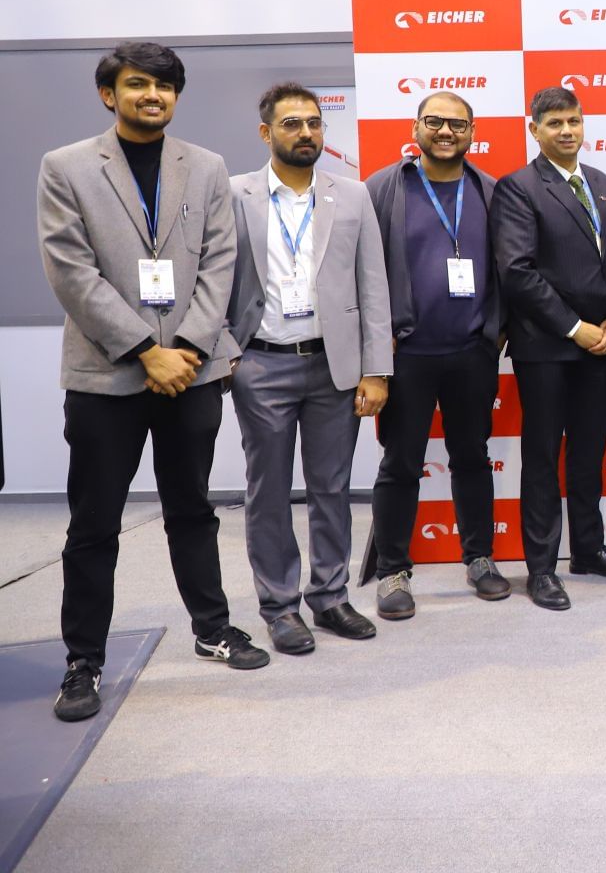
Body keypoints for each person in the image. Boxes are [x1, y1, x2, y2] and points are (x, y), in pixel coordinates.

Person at [39, 42, 269, 721]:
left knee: (192, 510)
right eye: (138, 84)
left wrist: (187, 350)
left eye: (165, 86)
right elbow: (71, 270)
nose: (153, 95)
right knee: (94, 523)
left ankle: (212, 629)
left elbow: (220, 262)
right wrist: (147, 350)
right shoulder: (67, 166)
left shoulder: (206, 167)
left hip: (191, 373)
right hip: (106, 374)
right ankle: (83, 660)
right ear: (109, 94)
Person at [226, 83, 392, 656]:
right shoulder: (235, 194)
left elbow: (373, 287)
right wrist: (228, 357)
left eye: (315, 123)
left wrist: (377, 370)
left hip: (333, 367)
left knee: (332, 488)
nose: (306, 133)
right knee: (268, 491)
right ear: (266, 132)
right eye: (292, 123)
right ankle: (279, 606)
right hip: (261, 364)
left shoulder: (352, 195)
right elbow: (212, 280)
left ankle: (330, 596)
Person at [358, 92, 510, 619]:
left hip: (472, 352)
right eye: (435, 122)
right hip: (407, 355)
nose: (446, 132)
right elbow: (362, 270)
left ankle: (480, 559)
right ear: (415, 128)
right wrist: (375, 346)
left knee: (472, 457)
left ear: (473, 132)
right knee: (401, 463)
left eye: (458, 124)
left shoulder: (490, 190)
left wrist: (496, 330)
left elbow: (510, 268)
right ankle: (392, 571)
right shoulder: (383, 188)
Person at [490, 86, 606, 611]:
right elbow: (518, 272)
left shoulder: (601, 183)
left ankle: (589, 549)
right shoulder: (518, 187)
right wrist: (576, 328)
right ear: (534, 130)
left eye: (574, 121)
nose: (567, 130)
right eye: (555, 123)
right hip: (548, 345)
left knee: (589, 452)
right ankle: (542, 568)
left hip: (602, 343)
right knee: (542, 457)